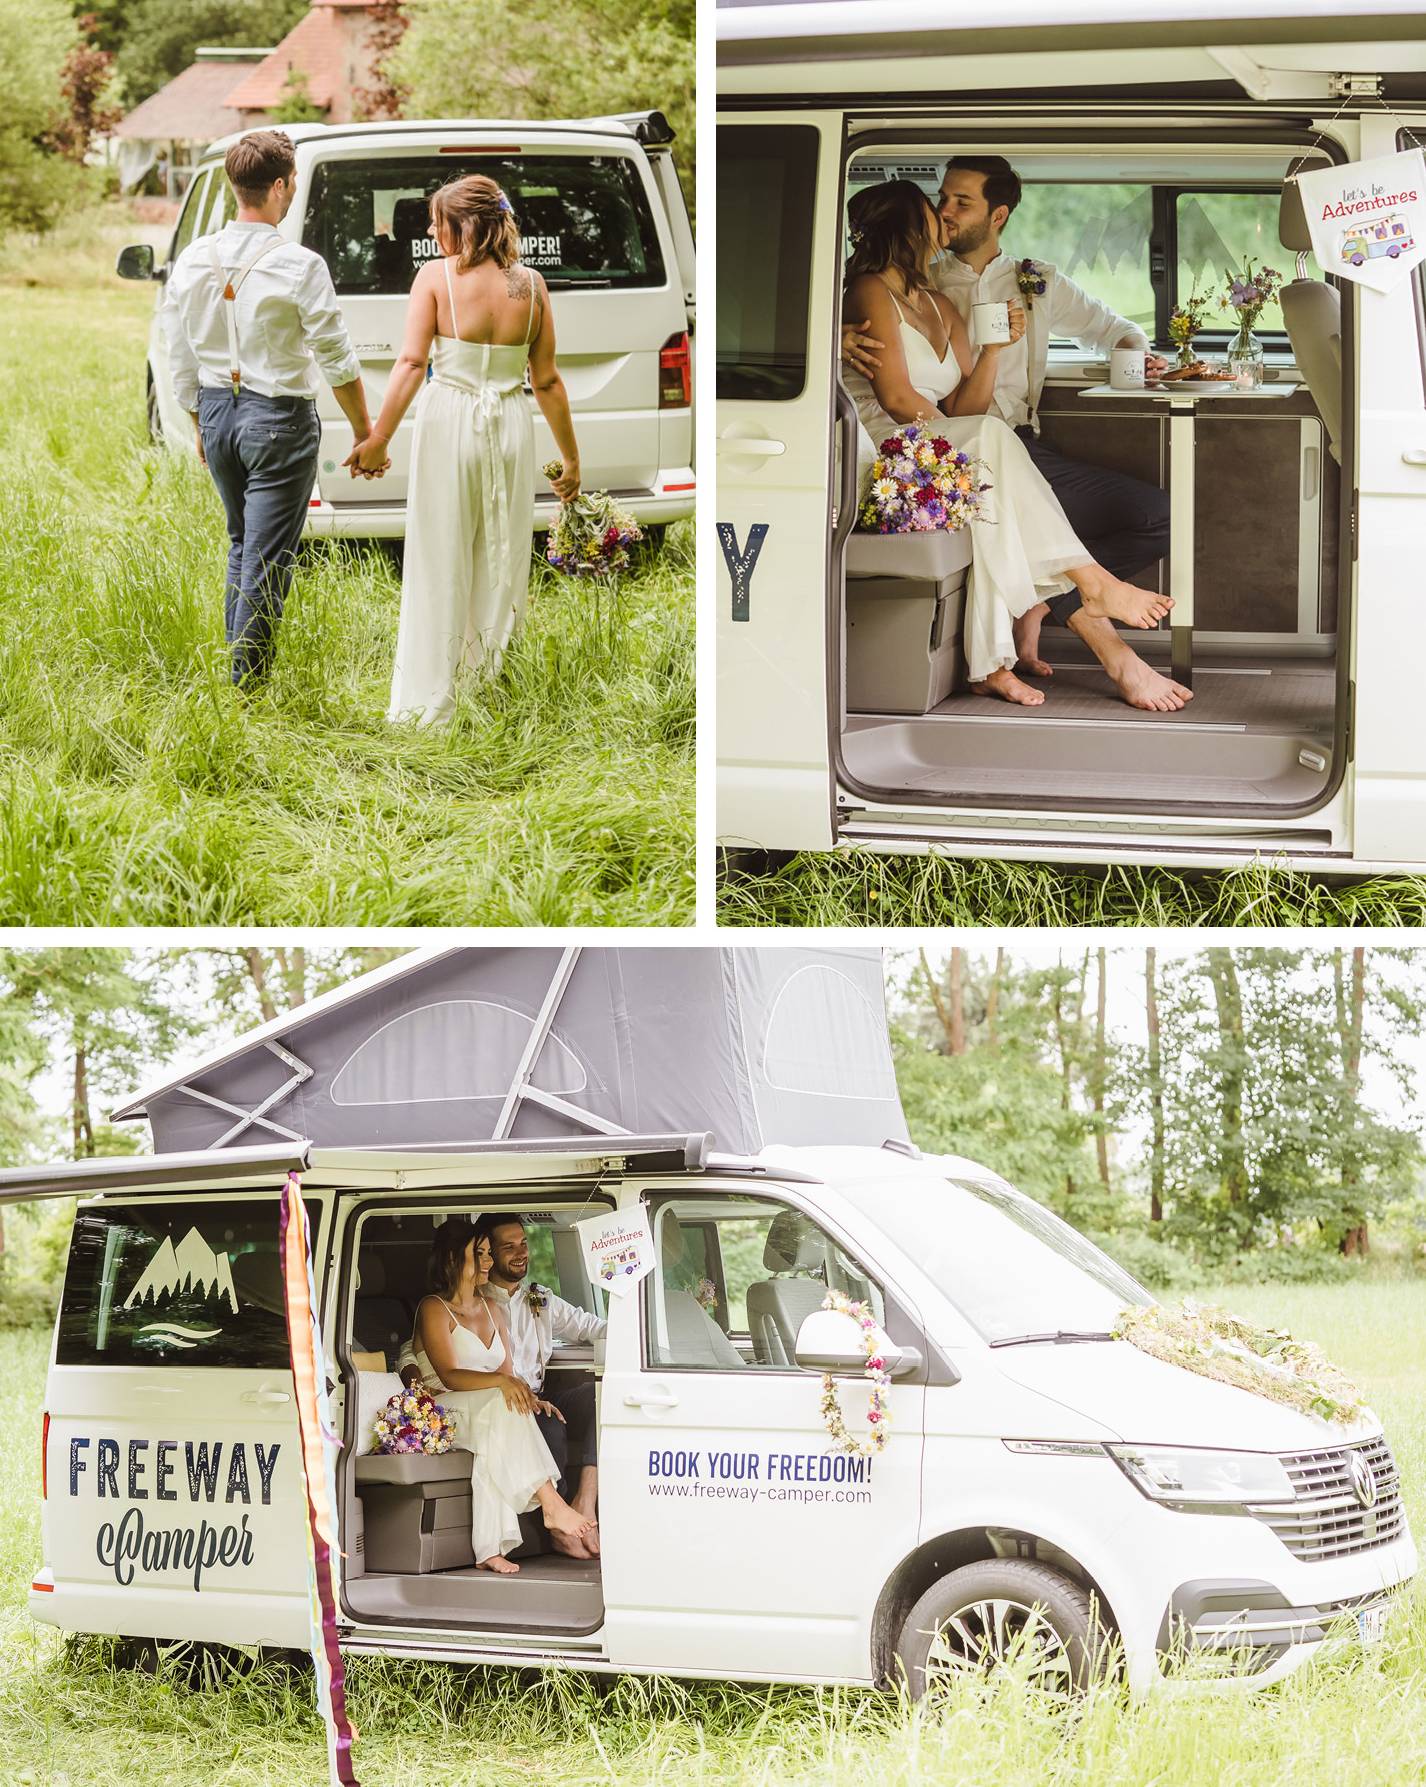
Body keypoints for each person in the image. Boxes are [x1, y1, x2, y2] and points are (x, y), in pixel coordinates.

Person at [845, 158, 1186, 706]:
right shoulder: (874, 290)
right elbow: (899, 399)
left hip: (988, 441)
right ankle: (1096, 598)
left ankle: (1003, 650)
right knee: (989, 457)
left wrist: (996, 350)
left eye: (960, 203)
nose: (945, 213)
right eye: (938, 204)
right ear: (911, 231)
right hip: (913, 450)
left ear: (998, 215)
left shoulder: (990, 289)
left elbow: (965, 403)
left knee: (1006, 479)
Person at [346, 175, 582, 724]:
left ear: (465, 226)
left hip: (450, 420)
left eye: (437, 222)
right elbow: (546, 382)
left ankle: (430, 699)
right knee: (501, 553)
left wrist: (378, 437)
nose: (430, 230)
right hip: (510, 425)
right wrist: (571, 458)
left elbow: (409, 363)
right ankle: (491, 690)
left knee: (439, 553)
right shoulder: (533, 286)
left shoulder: (435, 277)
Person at [160, 130, 375, 685]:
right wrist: (364, 430)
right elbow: (335, 355)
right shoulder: (300, 265)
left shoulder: (191, 260)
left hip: (216, 412)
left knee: (242, 545)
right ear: (279, 186)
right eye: (294, 181)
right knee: (267, 557)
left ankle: (233, 674)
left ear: (235, 186)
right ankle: (246, 689)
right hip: (277, 420)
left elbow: (178, 349)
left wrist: (198, 421)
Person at [410, 1218, 596, 1575]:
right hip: (443, 1408)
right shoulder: (433, 1308)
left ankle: (488, 1549)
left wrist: (527, 1395)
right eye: (479, 1254)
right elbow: (448, 1374)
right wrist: (502, 1384)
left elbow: (509, 1376)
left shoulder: (494, 1310)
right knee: (500, 1403)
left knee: (507, 1412)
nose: (487, 1262)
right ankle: (552, 1501)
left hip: (484, 1410)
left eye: (485, 1254)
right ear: (453, 1261)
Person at [470, 1213, 606, 1559]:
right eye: (508, 1247)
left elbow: (592, 1327)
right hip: (505, 1402)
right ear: (486, 1253)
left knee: (600, 1397)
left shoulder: (538, 1298)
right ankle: (559, 1528)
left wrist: (646, 1334)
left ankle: (585, 1500)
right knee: (551, 1426)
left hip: (541, 1393)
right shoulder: (474, 1301)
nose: (521, 1253)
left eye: (524, 1243)